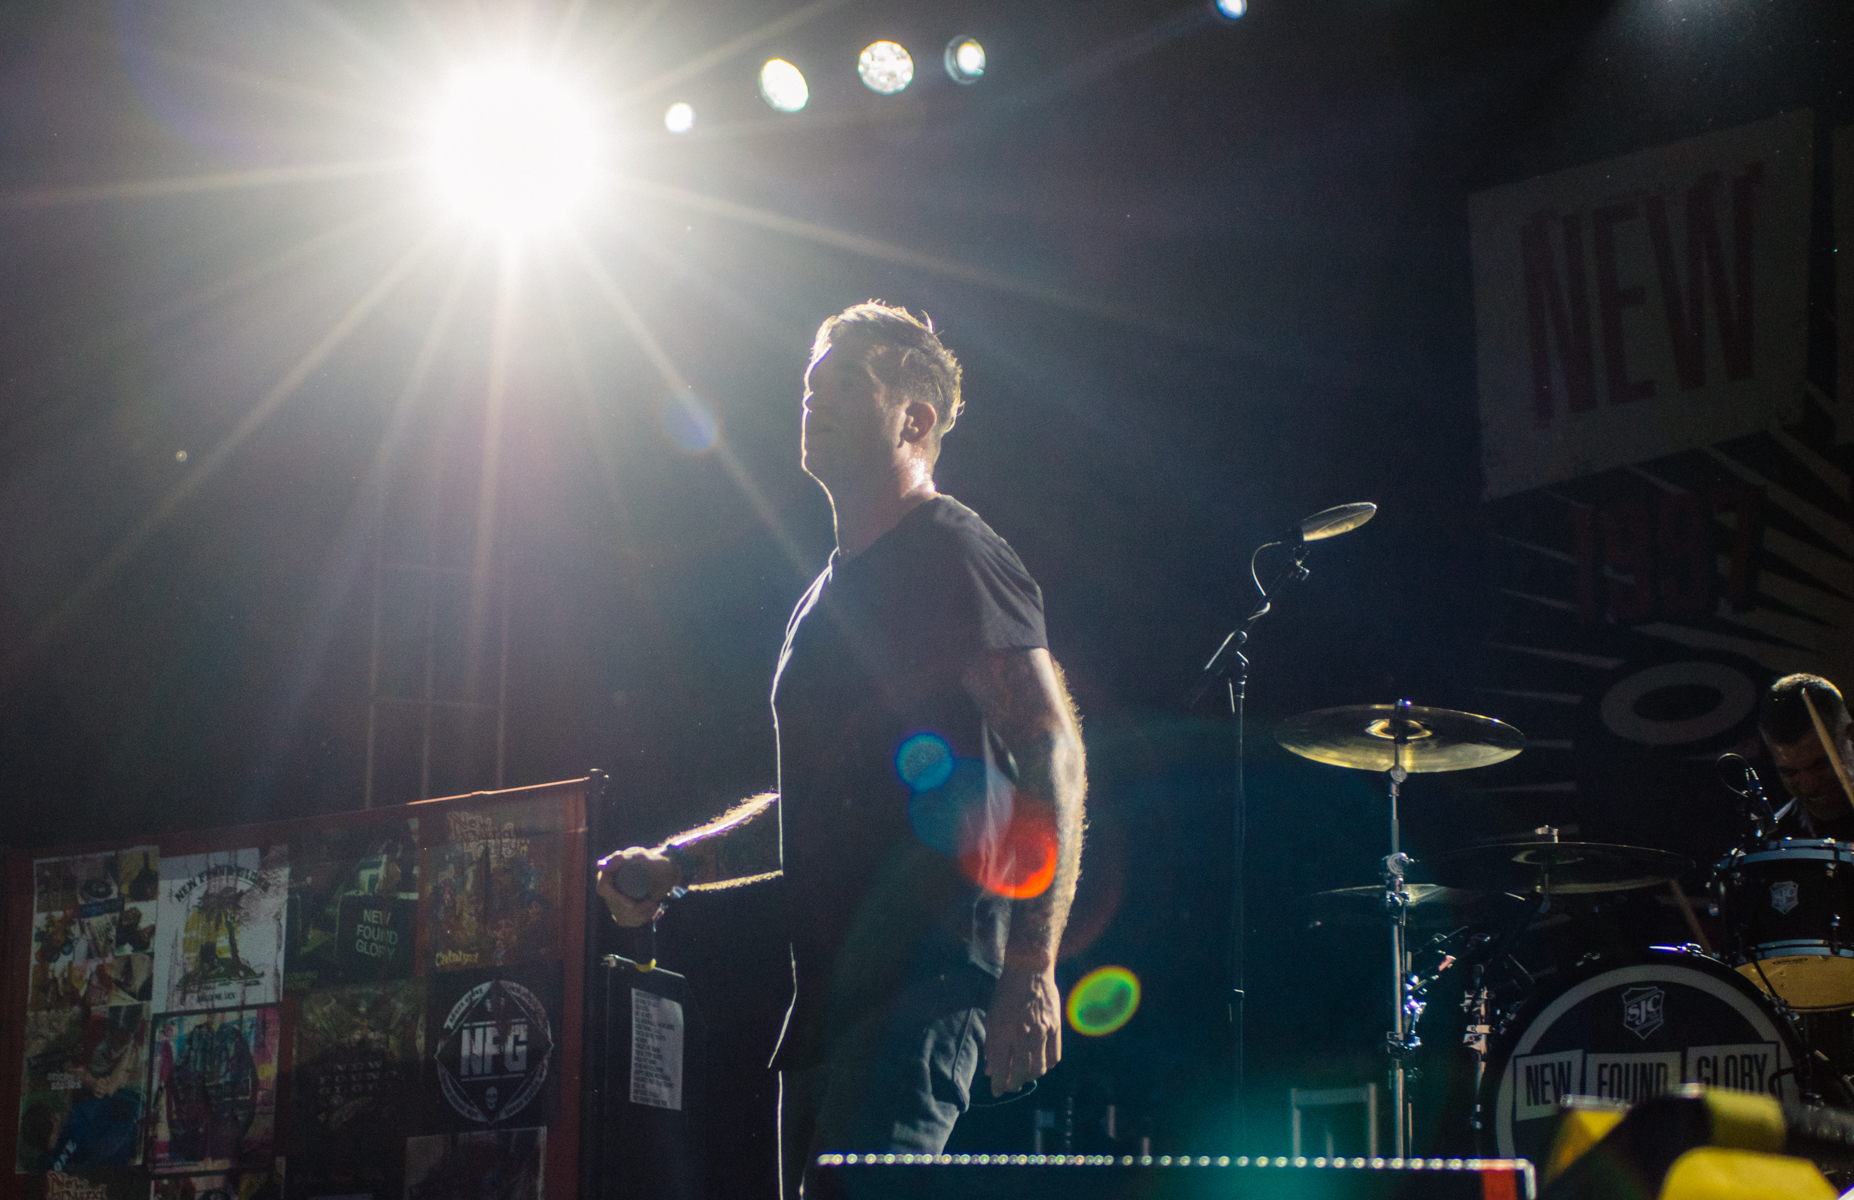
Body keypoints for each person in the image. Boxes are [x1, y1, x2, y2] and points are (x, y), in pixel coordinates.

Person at [596, 302, 1087, 1198]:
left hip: (922, 982)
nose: (813, 399)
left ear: (915, 419)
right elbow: (816, 803)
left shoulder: (953, 552)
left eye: (845, 384)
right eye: (810, 385)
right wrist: (677, 865)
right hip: (826, 1004)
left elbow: (1048, 748)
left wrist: (1031, 965)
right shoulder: (820, 602)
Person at [1757, 673, 1854, 842]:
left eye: (1820, 765)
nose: (1809, 786)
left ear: (1852, 736)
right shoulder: (1775, 840)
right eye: (1789, 772)